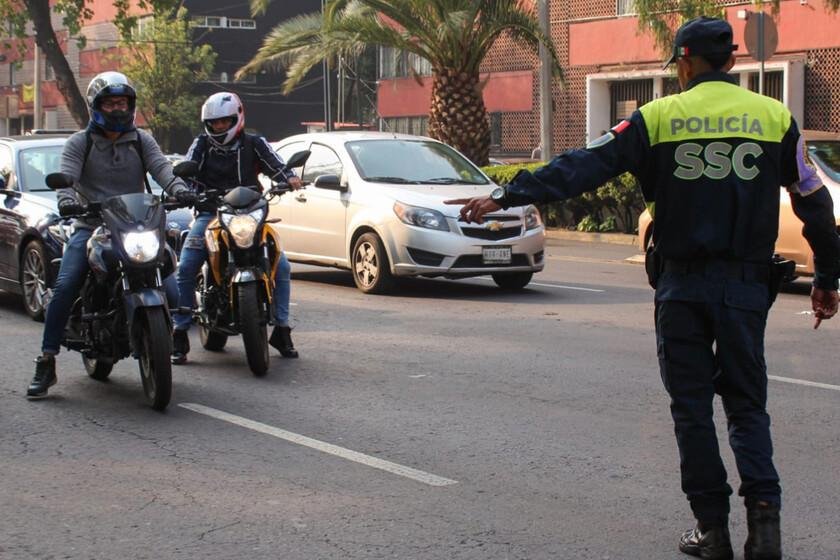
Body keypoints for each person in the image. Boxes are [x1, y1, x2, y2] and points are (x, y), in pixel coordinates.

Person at [448, 17, 840, 560]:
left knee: (693, 408)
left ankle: (713, 530)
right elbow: (814, 203)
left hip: (681, 287)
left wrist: (509, 193)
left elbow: (583, 167)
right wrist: (825, 279)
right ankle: (766, 529)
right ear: (730, 61)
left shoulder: (656, 118)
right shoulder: (774, 118)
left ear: (684, 62)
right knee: (748, 408)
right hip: (747, 288)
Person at [26, 71, 195, 399]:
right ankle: (46, 360)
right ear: (96, 106)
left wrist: (180, 189)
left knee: (173, 287)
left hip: (136, 225)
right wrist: (68, 201)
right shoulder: (81, 143)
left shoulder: (142, 140)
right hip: (92, 227)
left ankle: (170, 336)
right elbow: (69, 179)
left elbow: (163, 170)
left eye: (123, 102)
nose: (117, 109)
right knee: (65, 285)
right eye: (110, 102)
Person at [171, 92, 301, 364]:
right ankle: (180, 331)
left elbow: (276, 166)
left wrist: (289, 178)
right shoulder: (201, 145)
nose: (219, 127)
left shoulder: (254, 143)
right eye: (214, 123)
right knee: (185, 267)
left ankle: (282, 328)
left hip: (251, 215)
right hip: (212, 215)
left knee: (283, 267)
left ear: (237, 118)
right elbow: (187, 170)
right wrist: (183, 190)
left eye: (224, 122)